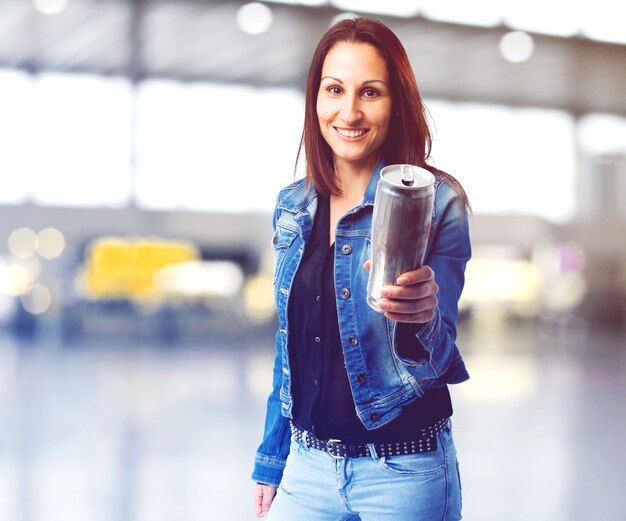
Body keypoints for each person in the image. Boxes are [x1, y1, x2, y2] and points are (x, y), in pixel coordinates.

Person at [251, 16, 471, 520]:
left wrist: (419, 317)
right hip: (307, 470)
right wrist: (271, 457)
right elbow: (288, 350)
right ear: (316, 99)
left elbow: (438, 360)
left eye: (370, 92)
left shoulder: (439, 202)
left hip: (404, 472)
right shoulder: (293, 206)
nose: (349, 111)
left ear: (398, 104)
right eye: (335, 90)